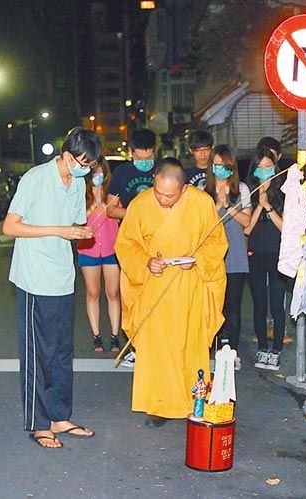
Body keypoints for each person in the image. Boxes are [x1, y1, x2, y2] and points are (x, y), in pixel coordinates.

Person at [2, 127, 101, 449]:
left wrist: (83, 226)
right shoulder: (35, 178)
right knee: (36, 353)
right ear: (68, 155)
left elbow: (72, 225)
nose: (86, 168)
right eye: (83, 162)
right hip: (34, 278)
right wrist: (60, 230)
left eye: (91, 164)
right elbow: (11, 226)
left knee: (61, 352)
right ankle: (39, 423)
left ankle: (60, 416)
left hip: (61, 277)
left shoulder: (79, 182)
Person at [114, 158, 228, 427]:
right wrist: (146, 262)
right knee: (157, 348)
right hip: (155, 286)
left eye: (170, 195)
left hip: (190, 286)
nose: (163, 200)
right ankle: (158, 404)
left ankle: (193, 400)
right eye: (158, 193)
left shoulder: (201, 203)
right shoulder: (140, 204)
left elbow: (216, 241)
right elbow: (126, 243)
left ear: (184, 188)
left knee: (189, 343)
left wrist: (197, 258)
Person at [106, 128, 157, 367]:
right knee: (132, 296)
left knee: (157, 295)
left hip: (160, 245)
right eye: (140, 158)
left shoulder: (163, 170)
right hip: (132, 245)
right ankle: (134, 345)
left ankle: (156, 344)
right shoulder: (122, 173)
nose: (145, 163)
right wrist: (137, 215)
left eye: (149, 158)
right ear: (130, 153)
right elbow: (110, 209)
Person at [204, 144, 252, 370]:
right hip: (211, 257)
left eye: (224, 165)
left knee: (232, 306)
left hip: (235, 255)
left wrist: (229, 206)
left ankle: (232, 351)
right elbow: (201, 225)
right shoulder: (203, 191)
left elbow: (247, 222)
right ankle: (210, 350)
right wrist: (216, 205)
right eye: (216, 165)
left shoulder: (241, 189)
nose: (220, 169)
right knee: (212, 305)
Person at [245, 148, 286, 371]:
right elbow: (248, 229)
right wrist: (259, 202)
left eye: (267, 166)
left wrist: (268, 205)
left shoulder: (284, 193)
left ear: (275, 168)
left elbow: (284, 227)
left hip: (278, 253)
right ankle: (262, 347)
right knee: (259, 303)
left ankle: (276, 349)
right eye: (259, 167)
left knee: (277, 304)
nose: (263, 170)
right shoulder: (249, 193)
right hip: (256, 254)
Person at [77, 158, 121, 353]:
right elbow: (76, 220)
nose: (98, 177)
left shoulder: (113, 194)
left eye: (101, 173)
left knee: (113, 293)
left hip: (112, 248)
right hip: (89, 249)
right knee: (92, 293)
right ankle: (96, 336)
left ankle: (114, 336)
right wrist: (92, 205)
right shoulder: (80, 194)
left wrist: (106, 203)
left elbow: (119, 214)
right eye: (94, 173)